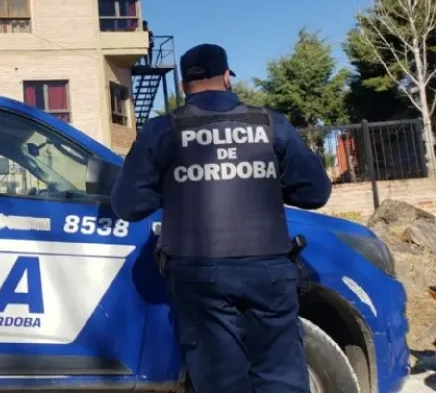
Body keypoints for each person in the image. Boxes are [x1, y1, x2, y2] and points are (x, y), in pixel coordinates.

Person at [110, 43, 332, 393]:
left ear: (184, 86)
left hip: (199, 276)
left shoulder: (162, 131)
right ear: (227, 77)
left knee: (220, 382)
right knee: (281, 380)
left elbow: (127, 205)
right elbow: (314, 193)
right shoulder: (271, 124)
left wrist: (174, 184)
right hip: (269, 272)